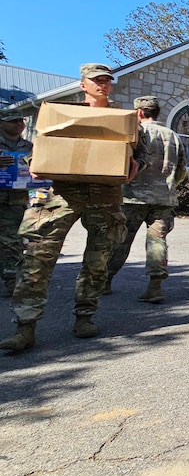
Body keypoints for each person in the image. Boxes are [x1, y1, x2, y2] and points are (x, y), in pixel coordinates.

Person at [1, 64, 143, 353]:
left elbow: (142, 152)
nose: (103, 84)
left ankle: (85, 316)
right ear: (83, 85)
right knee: (36, 258)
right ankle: (25, 327)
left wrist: (138, 166)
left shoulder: (125, 118)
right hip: (60, 192)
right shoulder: (61, 114)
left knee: (98, 259)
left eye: (107, 80)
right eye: (96, 80)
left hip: (105, 192)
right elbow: (38, 148)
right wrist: (34, 165)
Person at [103, 95, 188, 303]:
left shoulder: (134, 133)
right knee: (157, 242)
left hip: (133, 197)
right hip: (163, 199)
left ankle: (104, 281)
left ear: (139, 112)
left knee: (120, 241)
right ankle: (155, 287)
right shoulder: (173, 136)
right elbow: (182, 171)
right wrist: (168, 187)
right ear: (157, 112)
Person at [0, 110, 33, 298]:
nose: (19, 124)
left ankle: (12, 281)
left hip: (16, 201)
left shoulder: (29, 146)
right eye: (13, 121)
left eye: (21, 121)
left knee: (12, 241)